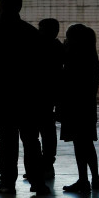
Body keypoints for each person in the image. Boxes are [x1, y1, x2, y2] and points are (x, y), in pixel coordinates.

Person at [0, 0, 49, 195]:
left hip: (2, 96)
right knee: (31, 140)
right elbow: (40, 69)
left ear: (0, 7)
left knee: (7, 140)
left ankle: (7, 181)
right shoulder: (31, 33)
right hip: (27, 96)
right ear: (19, 7)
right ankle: (37, 180)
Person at [58, 24, 99, 193]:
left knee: (80, 145)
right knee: (87, 143)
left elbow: (66, 83)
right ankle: (95, 177)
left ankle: (83, 180)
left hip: (74, 107)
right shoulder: (92, 61)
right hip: (88, 107)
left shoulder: (75, 62)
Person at [30, 18, 64, 178]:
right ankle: (47, 164)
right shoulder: (58, 47)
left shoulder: (38, 46)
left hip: (37, 94)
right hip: (51, 94)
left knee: (36, 133)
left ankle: (41, 164)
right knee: (48, 132)